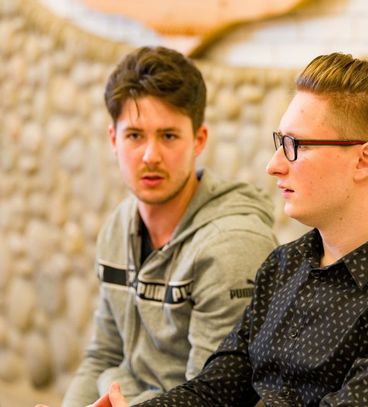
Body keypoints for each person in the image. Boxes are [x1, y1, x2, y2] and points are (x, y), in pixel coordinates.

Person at [80, 52, 368, 406]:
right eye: (279, 143)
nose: (274, 165)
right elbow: (215, 390)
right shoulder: (286, 265)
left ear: (364, 161)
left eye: (295, 146)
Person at [59, 46, 277, 406]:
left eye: (169, 136)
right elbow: (103, 355)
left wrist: (122, 396)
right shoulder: (118, 227)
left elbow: (210, 398)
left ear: (199, 140)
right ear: (113, 139)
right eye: (134, 135)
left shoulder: (231, 246)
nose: (150, 156)